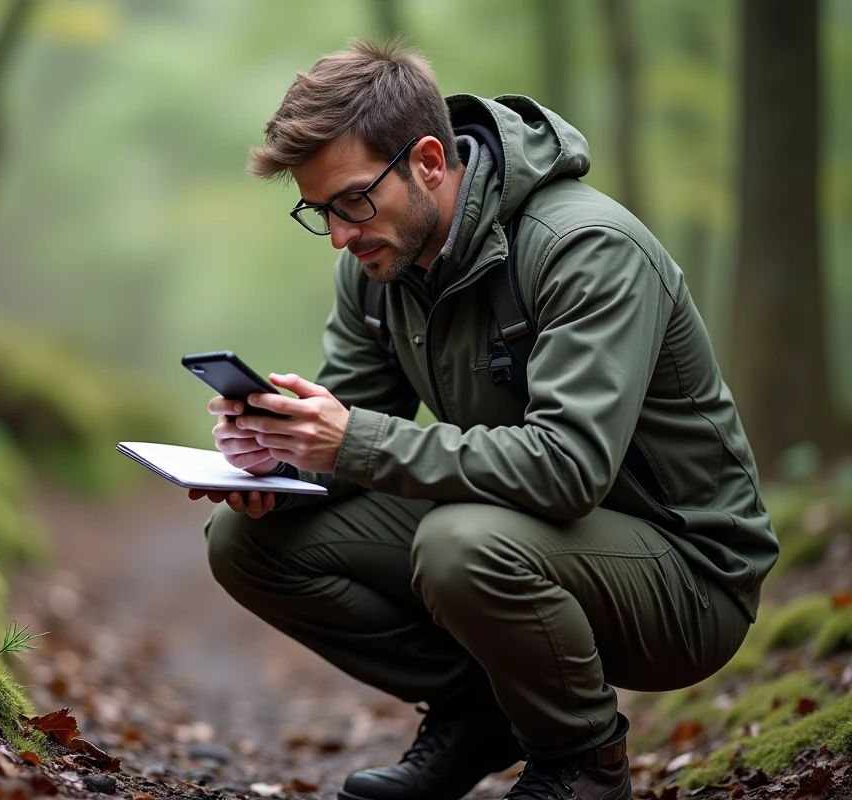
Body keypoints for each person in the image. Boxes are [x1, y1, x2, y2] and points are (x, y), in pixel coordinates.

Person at [188, 38, 778, 800]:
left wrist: (350, 440)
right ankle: (479, 715)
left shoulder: (585, 249)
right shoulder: (379, 270)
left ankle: (583, 763)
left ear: (429, 161)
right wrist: (279, 456)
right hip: (533, 538)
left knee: (459, 543)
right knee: (247, 541)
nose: (339, 234)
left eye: (355, 201)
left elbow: (566, 470)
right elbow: (359, 434)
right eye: (319, 211)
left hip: (690, 577)